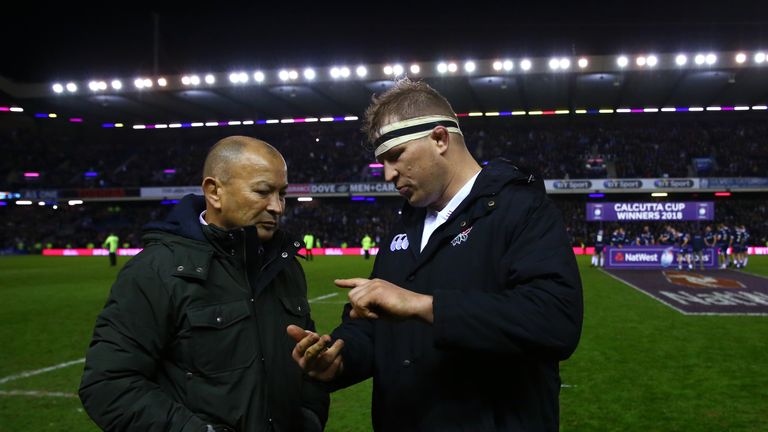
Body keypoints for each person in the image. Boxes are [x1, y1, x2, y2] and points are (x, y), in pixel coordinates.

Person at [287, 78, 583, 431]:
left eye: (395, 156)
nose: (388, 175)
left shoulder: (520, 208)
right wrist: (340, 358)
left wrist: (424, 306)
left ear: (440, 139)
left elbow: (555, 320)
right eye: (382, 162)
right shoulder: (404, 228)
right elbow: (375, 328)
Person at [79, 136, 329, 432]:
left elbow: (305, 365)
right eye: (263, 192)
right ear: (214, 192)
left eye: (282, 194)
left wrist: (309, 419)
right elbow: (108, 384)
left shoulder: (285, 267)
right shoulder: (156, 270)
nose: (277, 207)